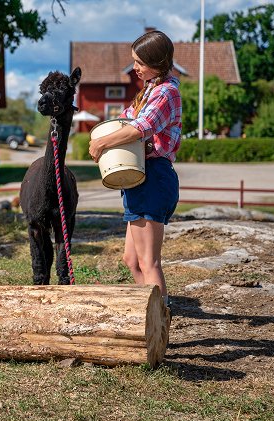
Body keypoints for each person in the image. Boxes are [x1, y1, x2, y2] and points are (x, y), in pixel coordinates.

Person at [88, 30, 181, 308]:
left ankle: (161, 319)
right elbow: (125, 120)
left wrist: (102, 142)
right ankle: (150, 313)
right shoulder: (148, 92)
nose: (135, 68)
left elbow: (142, 127)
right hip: (139, 177)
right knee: (132, 260)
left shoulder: (167, 92)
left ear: (157, 62)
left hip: (154, 177)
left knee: (148, 261)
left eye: (139, 62)